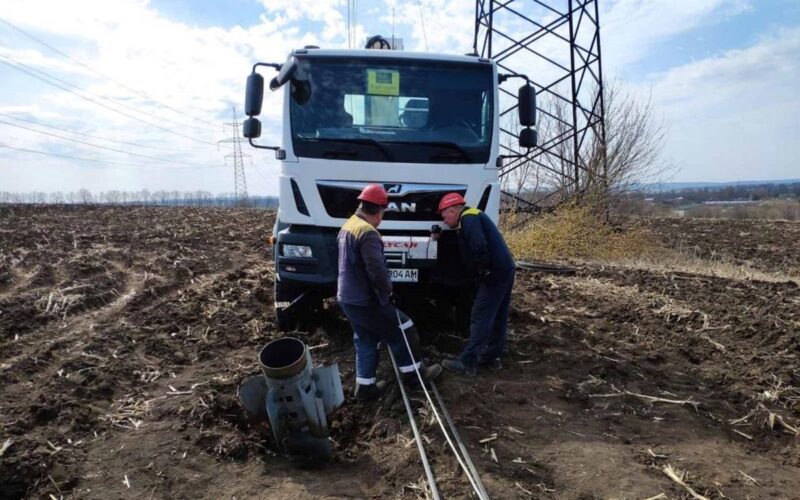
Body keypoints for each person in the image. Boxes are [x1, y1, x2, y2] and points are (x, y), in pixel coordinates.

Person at [337, 184, 442, 401]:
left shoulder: (349, 225)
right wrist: (388, 290)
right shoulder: (368, 233)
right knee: (404, 328)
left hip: (348, 298)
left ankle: (365, 389)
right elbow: (376, 269)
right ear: (380, 210)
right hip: (366, 300)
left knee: (366, 338)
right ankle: (415, 378)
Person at [437, 193, 515, 376]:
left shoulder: (468, 218)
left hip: (494, 273)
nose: (444, 221)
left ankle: (467, 362)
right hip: (505, 269)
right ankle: (491, 357)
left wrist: (483, 271)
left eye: (444, 216)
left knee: (480, 314)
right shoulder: (471, 216)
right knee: (498, 315)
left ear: (453, 210)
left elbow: (478, 245)